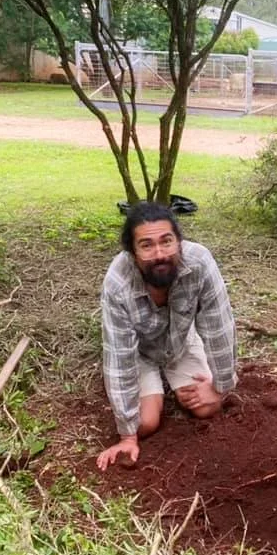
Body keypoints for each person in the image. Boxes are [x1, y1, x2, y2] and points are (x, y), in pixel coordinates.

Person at [96, 202, 237, 471]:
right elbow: (120, 354)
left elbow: (219, 326)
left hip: (181, 341)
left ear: (179, 242)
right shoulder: (118, 283)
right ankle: (153, 389)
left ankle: (179, 379)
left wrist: (220, 386)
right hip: (140, 352)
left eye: (166, 241)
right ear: (132, 252)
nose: (159, 254)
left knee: (207, 408)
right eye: (147, 245)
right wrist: (127, 436)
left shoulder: (200, 263)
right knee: (144, 424)